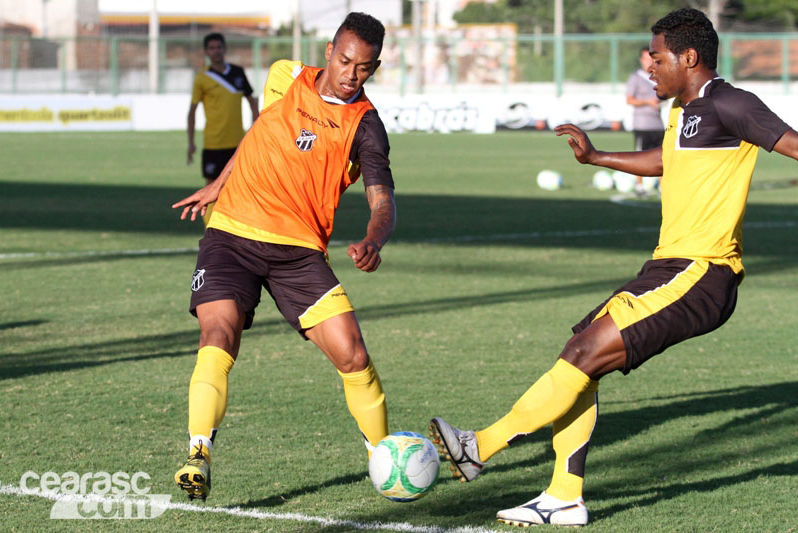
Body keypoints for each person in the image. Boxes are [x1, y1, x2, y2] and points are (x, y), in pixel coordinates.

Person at [429, 8, 798, 527]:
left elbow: (793, 144)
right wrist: (597, 157)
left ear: (689, 57)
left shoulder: (732, 102)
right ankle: (564, 496)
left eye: (657, 56)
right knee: (580, 357)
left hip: (701, 272)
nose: (650, 66)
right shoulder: (684, 111)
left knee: (583, 353)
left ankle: (478, 447)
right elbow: (666, 162)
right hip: (667, 267)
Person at [172, 12, 396, 501]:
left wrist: (374, 239)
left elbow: (383, 200)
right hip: (231, 234)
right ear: (329, 50)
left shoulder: (366, 126)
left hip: (298, 253)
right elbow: (260, 134)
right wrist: (219, 183)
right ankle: (198, 452)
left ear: (374, 68)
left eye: (362, 68)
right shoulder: (284, 77)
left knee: (353, 354)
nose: (349, 74)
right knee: (219, 333)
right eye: (343, 60)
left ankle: (387, 460)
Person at [187, 32, 259, 225]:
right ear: (206, 52)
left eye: (219, 47)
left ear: (224, 49)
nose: (216, 51)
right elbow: (192, 111)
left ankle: (237, 230)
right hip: (213, 142)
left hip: (237, 143)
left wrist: (256, 127)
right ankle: (209, 229)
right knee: (210, 186)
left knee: (240, 187)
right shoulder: (202, 78)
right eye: (211, 48)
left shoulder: (237, 73)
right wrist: (191, 142)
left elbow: (253, 101)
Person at [626, 46, 664, 197]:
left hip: (659, 124)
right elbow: (629, 99)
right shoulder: (635, 77)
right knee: (640, 156)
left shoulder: (660, 76)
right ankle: (639, 186)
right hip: (642, 124)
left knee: (662, 156)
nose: (649, 61)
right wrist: (648, 102)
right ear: (641, 60)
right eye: (646, 58)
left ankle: (663, 187)